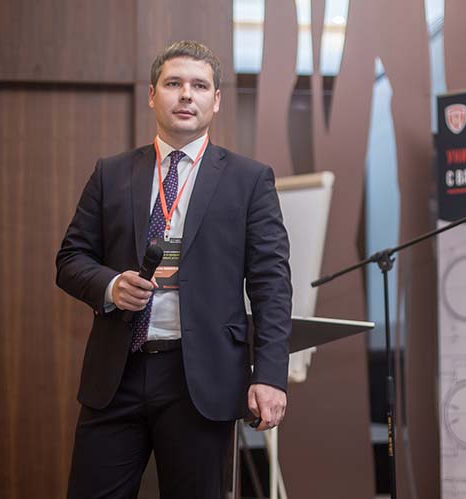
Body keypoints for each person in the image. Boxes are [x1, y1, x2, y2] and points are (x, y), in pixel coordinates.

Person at [56, 40, 292, 499]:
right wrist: (110, 285)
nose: (186, 94)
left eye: (199, 86)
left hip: (201, 379)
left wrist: (269, 375)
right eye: (173, 84)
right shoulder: (111, 173)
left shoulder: (249, 180)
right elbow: (70, 259)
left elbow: (272, 285)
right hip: (116, 375)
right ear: (152, 95)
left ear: (216, 100)